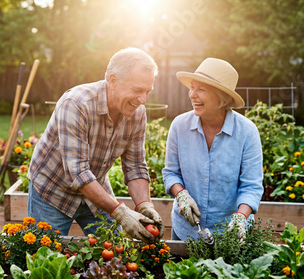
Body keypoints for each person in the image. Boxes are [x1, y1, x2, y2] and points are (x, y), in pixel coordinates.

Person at [27, 47, 164, 243]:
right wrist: (121, 213)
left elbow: (135, 166)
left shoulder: (137, 111)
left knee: (115, 252)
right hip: (53, 191)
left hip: (96, 188)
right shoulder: (76, 104)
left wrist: (145, 205)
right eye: (137, 90)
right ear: (113, 80)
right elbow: (78, 174)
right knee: (47, 257)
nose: (143, 100)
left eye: (147, 92)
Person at [162, 58, 264, 241]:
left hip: (231, 235)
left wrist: (241, 217)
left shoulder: (247, 132)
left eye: (201, 89)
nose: (192, 94)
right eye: (192, 87)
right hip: (187, 232)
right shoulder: (179, 126)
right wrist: (181, 194)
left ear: (222, 97)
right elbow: (171, 173)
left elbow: (252, 186)